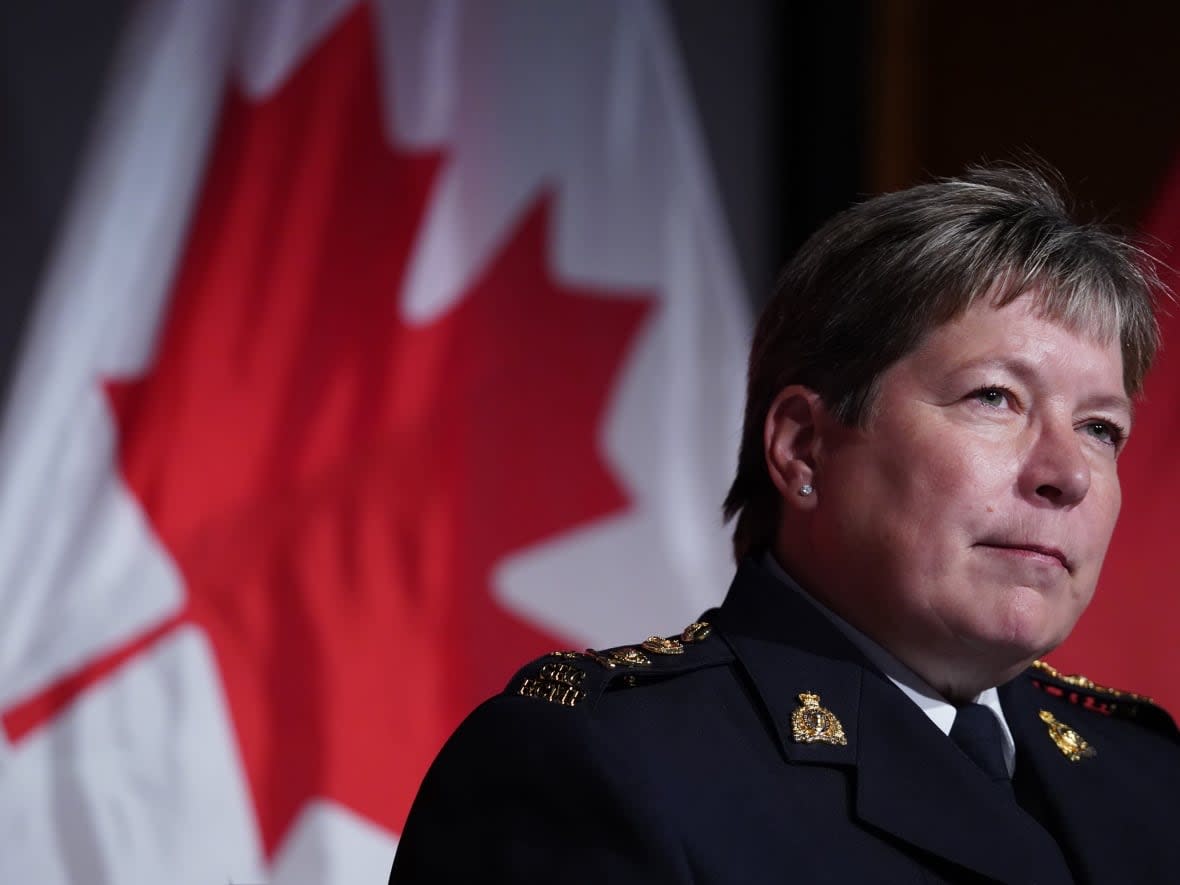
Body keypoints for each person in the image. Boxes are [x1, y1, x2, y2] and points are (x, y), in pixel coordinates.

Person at [388, 166, 1180, 884]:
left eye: (1101, 427)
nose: (1068, 473)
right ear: (804, 447)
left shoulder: (1149, 775)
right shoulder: (598, 769)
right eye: (994, 398)